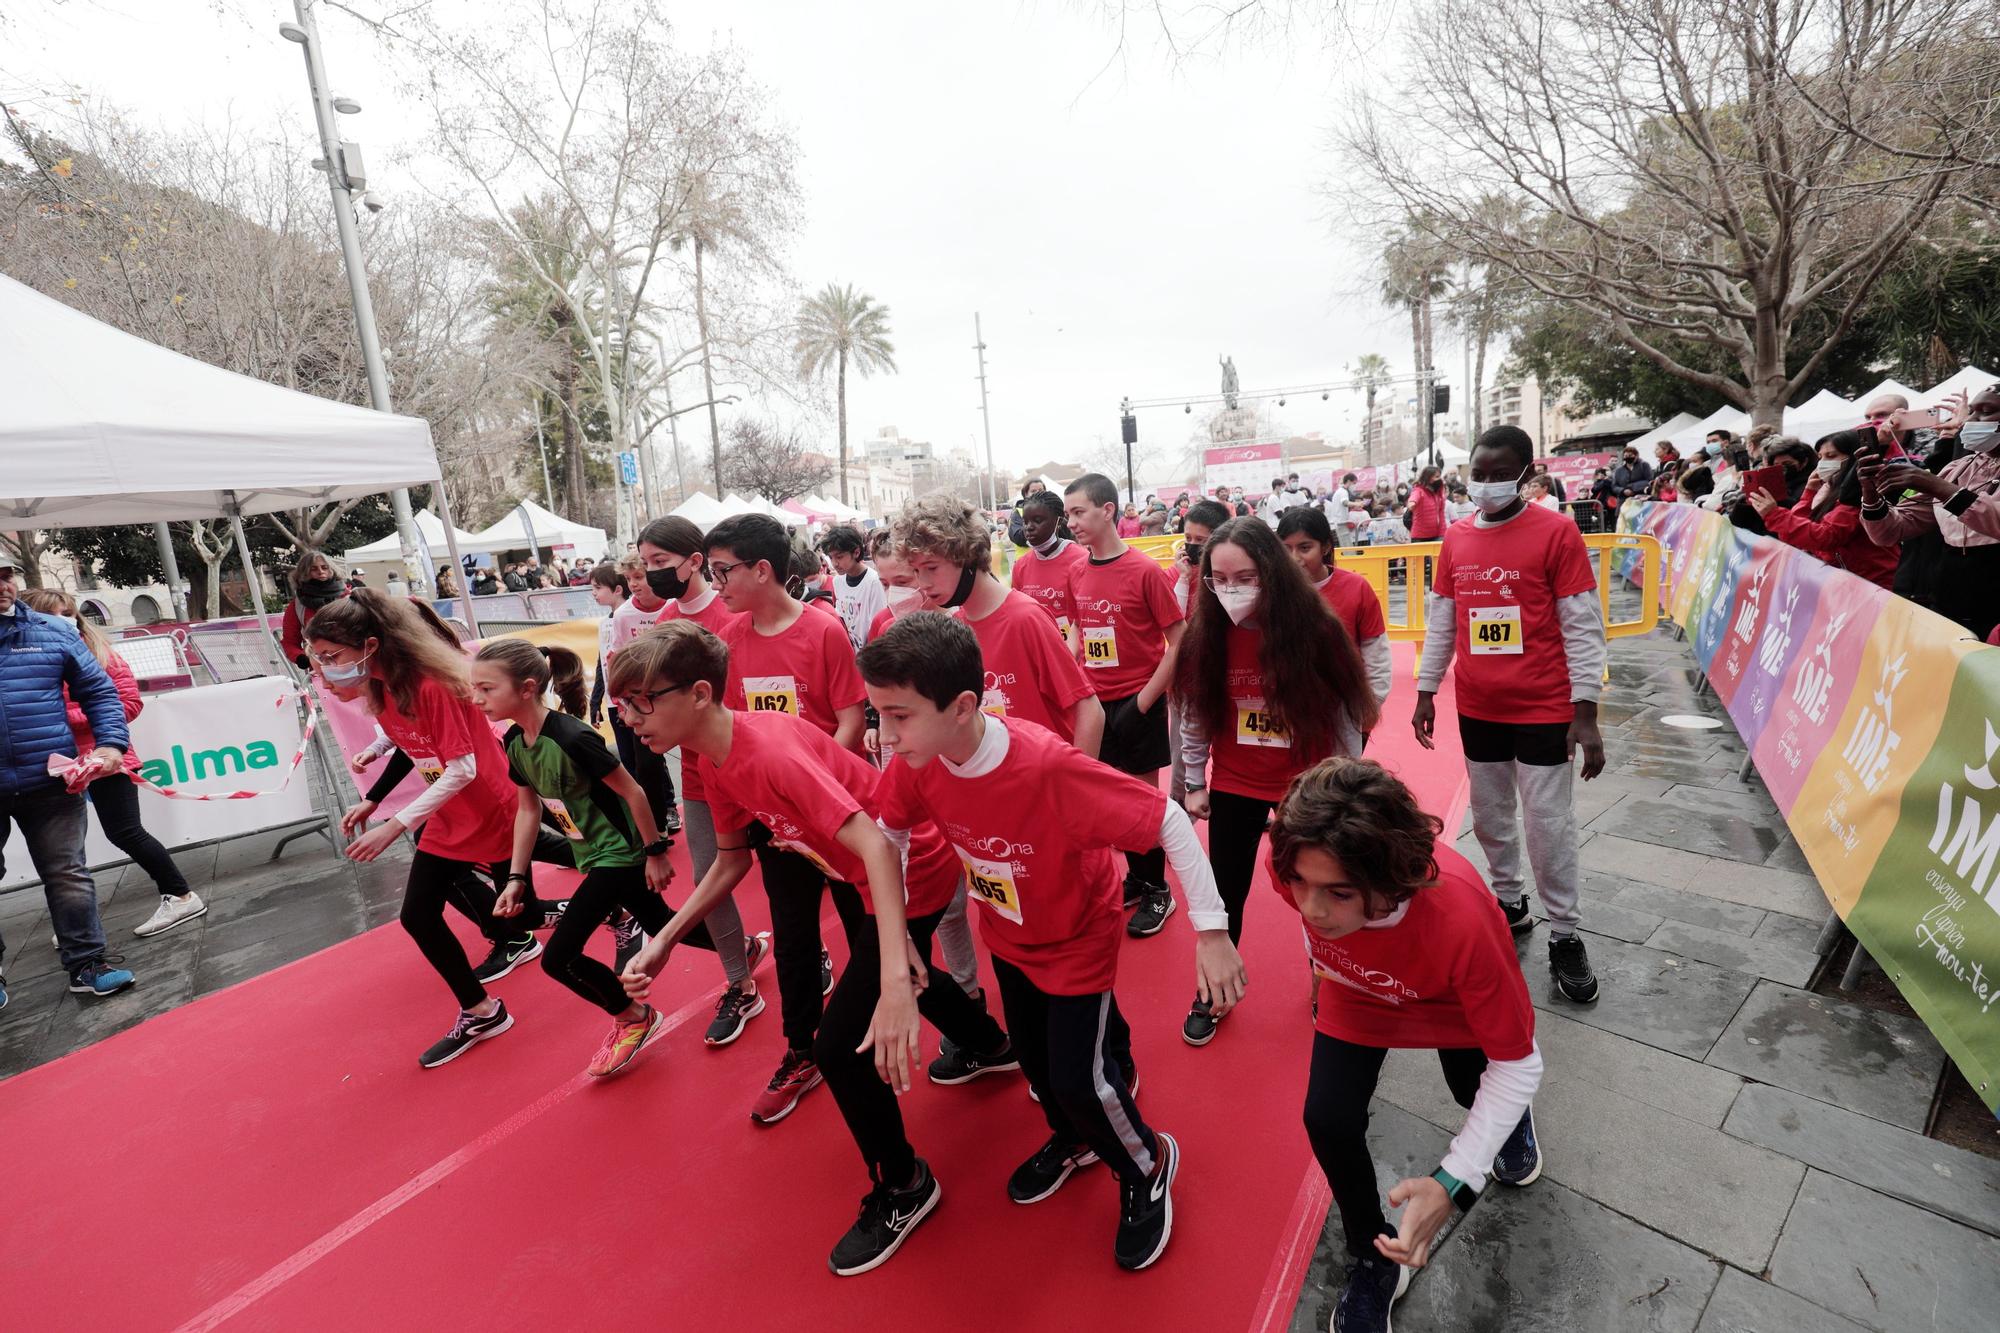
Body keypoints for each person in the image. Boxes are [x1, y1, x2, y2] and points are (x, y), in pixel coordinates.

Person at [613, 621, 1019, 1275]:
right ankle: (992, 1044)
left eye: (641, 700)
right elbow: (730, 861)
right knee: (899, 975)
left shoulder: (766, 751)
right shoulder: (710, 758)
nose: (630, 718)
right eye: (622, 705)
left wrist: (889, 971)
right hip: (866, 877)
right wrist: (664, 939)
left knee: (838, 1045)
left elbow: (881, 848)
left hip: (908, 872)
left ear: (697, 693)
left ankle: (906, 1185)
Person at [861, 611, 1247, 1274]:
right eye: (878, 716)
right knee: (1040, 1074)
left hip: (1076, 935)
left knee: (1079, 1077)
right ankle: (1074, 1141)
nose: (885, 737)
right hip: (1009, 933)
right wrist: (895, 946)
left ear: (961, 706)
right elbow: (886, 835)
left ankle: (1146, 1161)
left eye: (898, 716)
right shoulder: (919, 758)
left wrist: (1211, 931)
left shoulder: (1048, 767)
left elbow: (1171, 821)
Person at [1276, 758, 1544, 1333]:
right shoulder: (1296, 861)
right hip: (1357, 989)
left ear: (1391, 877)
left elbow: (1519, 1063)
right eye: (1301, 883)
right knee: (1327, 1118)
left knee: (1477, 1090)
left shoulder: (1463, 921)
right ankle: (1374, 1256)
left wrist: (1454, 1180)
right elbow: (1311, 900)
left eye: (1338, 892)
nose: (1311, 908)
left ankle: (1510, 1124)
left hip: (1449, 1004)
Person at [313, 590, 551, 1066]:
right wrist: (375, 798)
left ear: (371, 646)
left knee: (526, 906)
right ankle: (482, 1011)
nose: (324, 669)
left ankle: (615, 902)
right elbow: (411, 747)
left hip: (487, 804)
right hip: (448, 817)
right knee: (419, 916)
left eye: (331, 657)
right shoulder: (384, 689)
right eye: (318, 659)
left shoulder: (431, 686)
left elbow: (460, 769)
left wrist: (392, 824)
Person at [1414, 424, 1607, 1005]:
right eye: (1480, 472)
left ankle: (1566, 934)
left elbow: (1582, 625)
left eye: (1502, 473)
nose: (1488, 483)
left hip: (1545, 707)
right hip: (1479, 707)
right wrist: (1426, 690)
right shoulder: (1456, 538)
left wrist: (1586, 713)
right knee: (1490, 812)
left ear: (1526, 474)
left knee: (1548, 823)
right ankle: (1508, 900)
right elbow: (1443, 618)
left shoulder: (1556, 532)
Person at [469, 638, 717, 1078]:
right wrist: (515, 877)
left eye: (487, 689)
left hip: (619, 854)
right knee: (661, 924)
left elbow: (634, 790)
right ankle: (745, 947)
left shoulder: (571, 736)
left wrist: (654, 851)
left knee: (559, 957)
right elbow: (528, 811)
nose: (477, 698)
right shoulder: (513, 742)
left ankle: (633, 1017)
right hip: (592, 853)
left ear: (526, 688)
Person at [1174, 518, 1378, 1046]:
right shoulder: (1207, 633)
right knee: (1225, 890)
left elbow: (1344, 716)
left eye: (1245, 576)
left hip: (1307, 786)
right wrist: (1193, 780)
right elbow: (1196, 715)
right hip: (1236, 783)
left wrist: (1346, 784)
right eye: (1219, 579)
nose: (1232, 589)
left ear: (1272, 570)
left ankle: (1333, 983)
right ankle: (1213, 990)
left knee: (1317, 889)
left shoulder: (1316, 628)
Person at [705, 512, 868, 1120]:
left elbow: (850, 719)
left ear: (762, 570)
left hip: (837, 817)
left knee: (867, 930)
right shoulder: (727, 639)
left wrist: (819, 790)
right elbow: (731, 726)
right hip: (777, 827)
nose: (714, 582)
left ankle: (883, 1019)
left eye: (723, 571)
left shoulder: (823, 631)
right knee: (795, 940)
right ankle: (803, 1050)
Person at [635, 516, 769, 1044]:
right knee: (708, 877)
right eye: (645, 564)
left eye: (660, 563)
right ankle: (740, 982)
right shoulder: (663, 619)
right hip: (696, 773)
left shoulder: (732, 612)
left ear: (696, 561)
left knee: (791, 873)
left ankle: (812, 952)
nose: (651, 574)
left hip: (749, 765)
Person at [21, 590, 205, 939]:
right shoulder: (29, 657)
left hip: (104, 758)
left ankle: (180, 895)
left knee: (124, 831)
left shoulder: (99, 653)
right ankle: (75, 923)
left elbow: (127, 704)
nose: (65, 620)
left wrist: (61, 717)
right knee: (63, 851)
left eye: (69, 612)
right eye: (53, 614)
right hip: (53, 765)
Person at [0, 557, 137, 1003]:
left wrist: (112, 744)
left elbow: (100, 692)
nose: (3, 586)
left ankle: (87, 965)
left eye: (5, 576)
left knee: (68, 873)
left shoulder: (53, 630)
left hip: (51, 782)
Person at [1063, 472, 1186, 937]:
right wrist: (1073, 675)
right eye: (1069, 513)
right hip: (1095, 704)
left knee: (1140, 804)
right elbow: (1078, 630)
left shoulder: (1145, 571)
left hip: (1140, 702)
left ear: (1108, 510)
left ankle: (1159, 891)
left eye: (1079, 512)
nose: (1071, 522)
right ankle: (1138, 877)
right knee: (1111, 802)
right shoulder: (1076, 570)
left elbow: (1178, 642)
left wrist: (1142, 702)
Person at [1861, 387, 2000, 636]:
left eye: (1986, 412)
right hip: (1949, 599)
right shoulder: (1958, 468)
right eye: (1971, 412)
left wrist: (1938, 486)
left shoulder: (1947, 477)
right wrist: (1871, 494)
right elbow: (1891, 532)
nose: (1969, 421)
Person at [1748, 431, 1896, 588]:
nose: (1822, 464)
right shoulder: (1828, 490)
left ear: (1855, 457)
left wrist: (1775, 515)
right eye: (1821, 457)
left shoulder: (1861, 493)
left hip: (1876, 585)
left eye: (1831, 456)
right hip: (1849, 584)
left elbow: (1826, 537)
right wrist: (1808, 494)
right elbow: (1799, 539)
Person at [1275, 507, 1392, 705]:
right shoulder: (1271, 592)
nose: (1294, 558)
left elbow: (1376, 653)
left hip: (1344, 704)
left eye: (1305, 548)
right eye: (1286, 549)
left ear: (1326, 547)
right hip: (1288, 707)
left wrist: (1372, 704)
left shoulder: (1357, 588)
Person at [608, 553, 679, 837]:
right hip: (643, 699)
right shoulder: (624, 614)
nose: (634, 584)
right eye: (628, 579)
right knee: (646, 764)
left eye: (639, 577)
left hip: (680, 695)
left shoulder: (675, 606)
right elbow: (616, 657)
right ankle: (658, 825)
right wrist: (622, 703)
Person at [1010, 490, 1085, 640]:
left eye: (1037, 520)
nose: (1029, 527)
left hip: (1073, 656)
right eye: (1025, 522)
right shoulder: (1021, 566)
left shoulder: (1081, 560)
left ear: (1058, 522)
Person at [821, 524, 888, 651]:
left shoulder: (874, 582)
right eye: (831, 557)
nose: (835, 563)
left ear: (856, 552)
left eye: (839, 557)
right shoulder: (838, 581)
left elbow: (877, 624)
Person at [280, 549, 347, 669]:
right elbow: (289, 642)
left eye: (324, 567)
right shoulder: (297, 605)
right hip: (321, 667)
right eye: (314, 569)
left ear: (331, 569)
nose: (321, 571)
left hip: (352, 661)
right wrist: (302, 658)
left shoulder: (348, 596)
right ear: (304, 573)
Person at [1406, 466, 1446, 540]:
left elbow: (1441, 515)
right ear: (1428, 477)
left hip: (1437, 535)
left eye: (1439, 476)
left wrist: (1442, 533)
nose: (1439, 479)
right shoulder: (1419, 490)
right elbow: (1413, 498)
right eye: (1437, 476)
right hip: (1419, 536)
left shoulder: (1438, 493)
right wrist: (1411, 503)